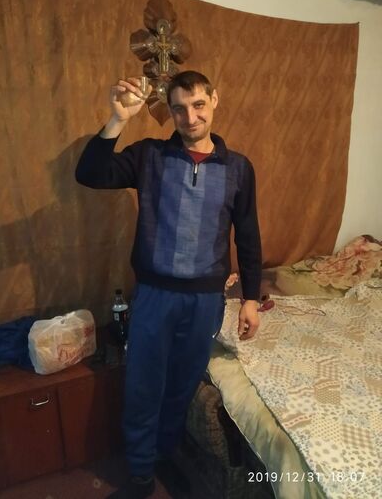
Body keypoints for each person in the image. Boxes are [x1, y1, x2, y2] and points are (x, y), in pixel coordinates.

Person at [75, 70, 262, 499]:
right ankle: (141, 474)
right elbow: (90, 173)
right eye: (179, 108)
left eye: (198, 105)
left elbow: (248, 235)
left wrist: (251, 299)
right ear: (170, 112)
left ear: (215, 100)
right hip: (155, 297)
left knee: (182, 385)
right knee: (143, 384)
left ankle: (164, 454)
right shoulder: (149, 156)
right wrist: (118, 119)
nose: (190, 117)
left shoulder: (238, 168)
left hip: (206, 301)